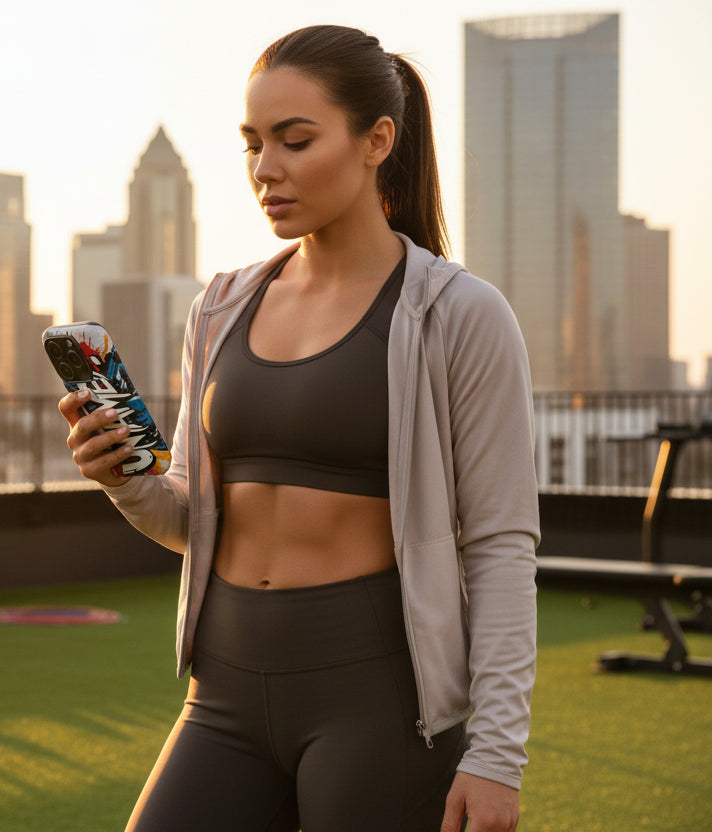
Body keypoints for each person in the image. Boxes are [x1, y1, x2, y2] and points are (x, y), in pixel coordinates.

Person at [57, 24, 539, 832]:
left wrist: (495, 757)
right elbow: (194, 520)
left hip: (380, 700)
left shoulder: (458, 314)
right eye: (252, 144)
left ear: (375, 141)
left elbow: (498, 544)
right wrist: (126, 479)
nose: (264, 169)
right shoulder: (219, 306)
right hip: (225, 691)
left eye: (294, 139)